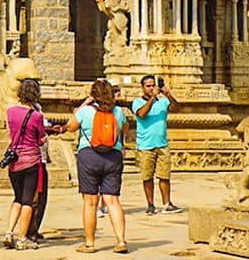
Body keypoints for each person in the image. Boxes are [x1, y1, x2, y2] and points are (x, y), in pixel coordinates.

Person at [65, 78, 131, 254]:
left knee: (90, 202)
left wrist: (84, 104)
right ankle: (121, 240)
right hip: (113, 156)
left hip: (89, 156)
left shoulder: (86, 111)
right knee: (112, 200)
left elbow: (70, 127)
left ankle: (90, 243)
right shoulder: (118, 112)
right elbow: (125, 128)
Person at [1, 78, 61, 250]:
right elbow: (41, 139)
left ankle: (9, 231)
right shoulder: (36, 116)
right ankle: (22, 239)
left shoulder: (10, 111)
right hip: (31, 161)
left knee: (17, 198)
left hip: (14, 161)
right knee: (28, 200)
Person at [132, 74, 183, 215]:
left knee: (164, 175)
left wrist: (169, 95)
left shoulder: (163, 102)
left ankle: (167, 203)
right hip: (145, 145)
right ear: (143, 88)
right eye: (148, 86)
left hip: (162, 144)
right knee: (147, 177)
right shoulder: (137, 102)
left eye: (153, 85)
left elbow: (177, 109)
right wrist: (152, 98)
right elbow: (142, 114)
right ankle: (150, 204)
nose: (151, 88)